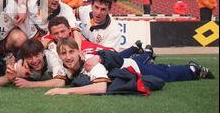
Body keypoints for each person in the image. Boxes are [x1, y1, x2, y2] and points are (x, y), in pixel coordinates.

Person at [45, 38, 214, 96]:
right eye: (63, 54)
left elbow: (101, 87)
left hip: (133, 69)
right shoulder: (65, 63)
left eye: (71, 52)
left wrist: (65, 91)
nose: (67, 57)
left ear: (79, 53)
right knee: (162, 69)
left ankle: (193, 69)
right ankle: (147, 54)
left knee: (166, 75)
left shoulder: (90, 64)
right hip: (123, 65)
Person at [0, 38, 67, 88]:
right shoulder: (21, 67)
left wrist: (29, 84)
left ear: (43, 53)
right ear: (25, 58)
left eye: (36, 55)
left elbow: (60, 82)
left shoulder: (52, 57)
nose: (34, 60)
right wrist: (9, 78)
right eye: (29, 57)